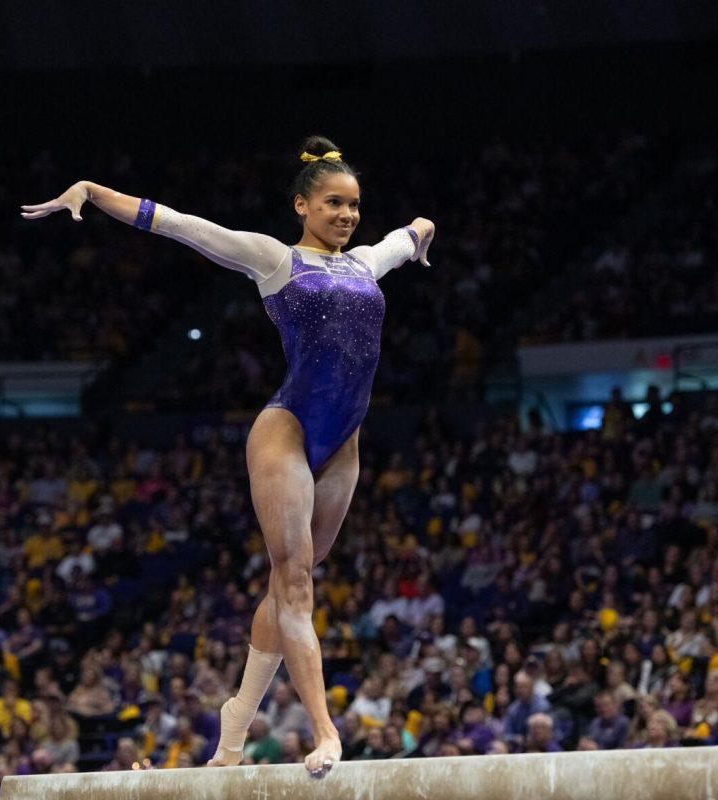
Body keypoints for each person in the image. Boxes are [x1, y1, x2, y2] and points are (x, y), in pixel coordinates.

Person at [22, 136, 434, 777]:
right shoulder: (275, 259)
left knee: (292, 580)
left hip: (344, 444)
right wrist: (92, 193)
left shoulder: (365, 264)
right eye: (333, 204)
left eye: (353, 205)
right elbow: (185, 227)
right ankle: (325, 732)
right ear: (302, 205)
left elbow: (410, 233)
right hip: (288, 431)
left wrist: (421, 232)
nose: (347, 215)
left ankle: (233, 729)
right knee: (295, 581)